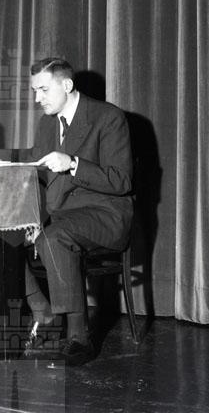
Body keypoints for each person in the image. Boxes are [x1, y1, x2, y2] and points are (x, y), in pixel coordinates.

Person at [23, 57, 134, 365]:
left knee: (53, 237)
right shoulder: (47, 123)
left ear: (67, 85)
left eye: (44, 90)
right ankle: (41, 311)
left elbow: (121, 180)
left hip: (105, 212)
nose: (37, 99)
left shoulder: (108, 117)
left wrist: (73, 164)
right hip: (62, 214)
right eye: (34, 91)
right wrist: (32, 218)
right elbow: (39, 178)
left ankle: (78, 337)